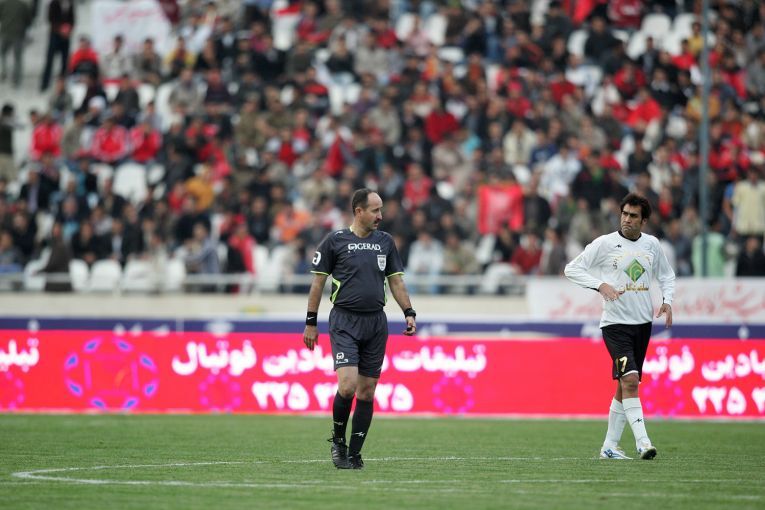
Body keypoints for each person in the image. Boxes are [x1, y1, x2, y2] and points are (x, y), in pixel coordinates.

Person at [303, 188, 417, 470]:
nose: (380, 216)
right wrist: (311, 322)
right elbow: (318, 283)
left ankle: (354, 453)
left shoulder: (385, 242)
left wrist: (409, 312)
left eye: (381, 210)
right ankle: (338, 441)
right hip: (344, 320)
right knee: (348, 385)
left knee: (366, 392)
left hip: (375, 323)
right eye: (375, 210)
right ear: (359, 211)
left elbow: (396, 282)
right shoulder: (335, 241)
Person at [564, 193, 675, 461]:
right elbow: (572, 269)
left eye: (633, 216)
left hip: (643, 325)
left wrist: (667, 301)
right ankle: (643, 443)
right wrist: (600, 285)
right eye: (624, 214)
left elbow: (667, 275)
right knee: (631, 380)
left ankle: (610, 447)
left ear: (644, 221)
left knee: (625, 385)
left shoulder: (652, 245)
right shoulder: (605, 243)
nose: (627, 219)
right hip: (615, 325)